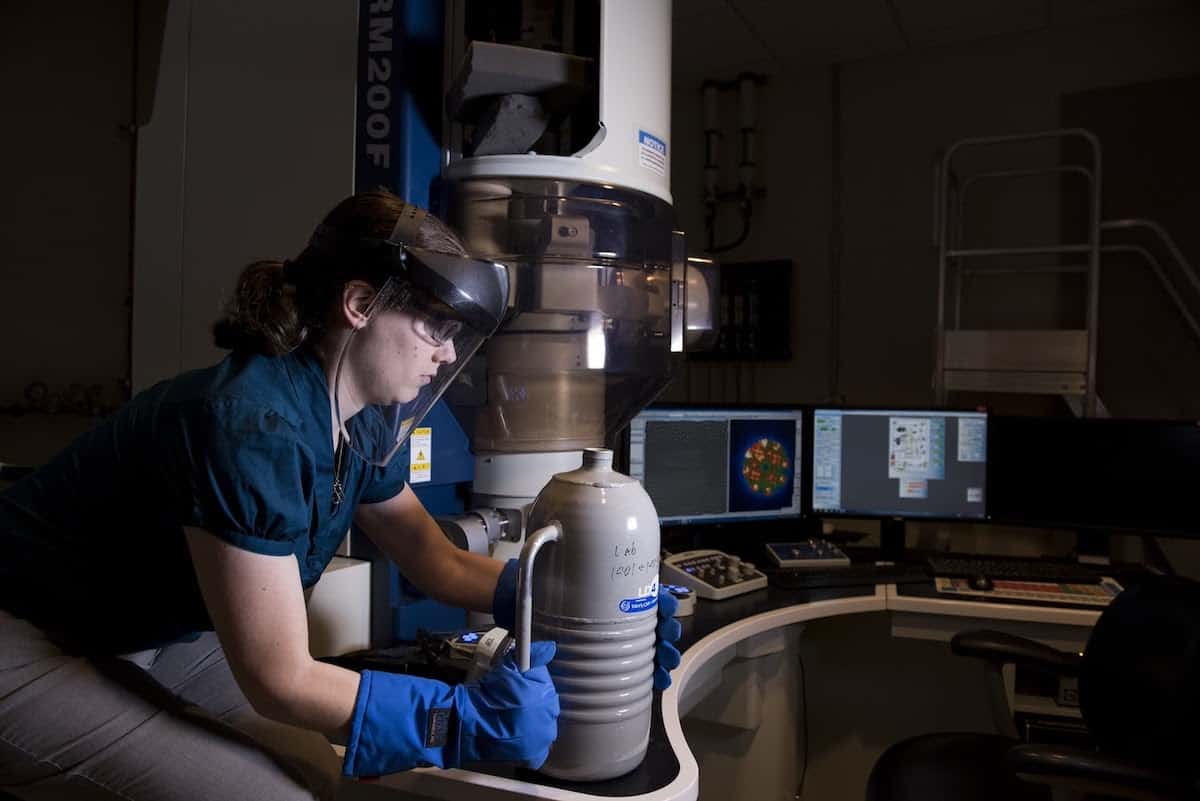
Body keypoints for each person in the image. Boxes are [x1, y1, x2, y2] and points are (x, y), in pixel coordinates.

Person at [0, 191, 681, 801]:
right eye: (435, 329)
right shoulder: (254, 423)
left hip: (136, 630)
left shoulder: (353, 423)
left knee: (314, 767)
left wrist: (566, 597)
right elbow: (279, 676)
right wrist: (454, 719)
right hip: (26, 635)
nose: (447, 356)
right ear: (360, 304)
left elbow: (428, 555)